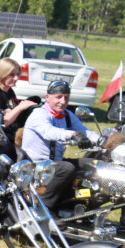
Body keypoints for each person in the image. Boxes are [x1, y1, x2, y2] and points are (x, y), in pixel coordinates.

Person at [22, 80, 102, 209]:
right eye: (58, 97)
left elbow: (84, 131)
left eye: (66, 97)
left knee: (92, 164)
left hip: (54, 162)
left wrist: (104, 141)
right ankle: (45, 207)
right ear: (47, 97)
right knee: (66, 168)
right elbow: (49, 132)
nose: (63, 102)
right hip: (35, 165)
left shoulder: (67, 115)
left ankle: (75, 205)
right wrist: (71, 134)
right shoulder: (39, 114)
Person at [0, 57, 37, 154]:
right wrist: (20, 107)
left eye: (17, 74)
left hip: (11, 134)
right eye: (11, 75)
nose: (16, 78)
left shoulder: (9, 91)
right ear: (2, 74)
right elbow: (0, 124)